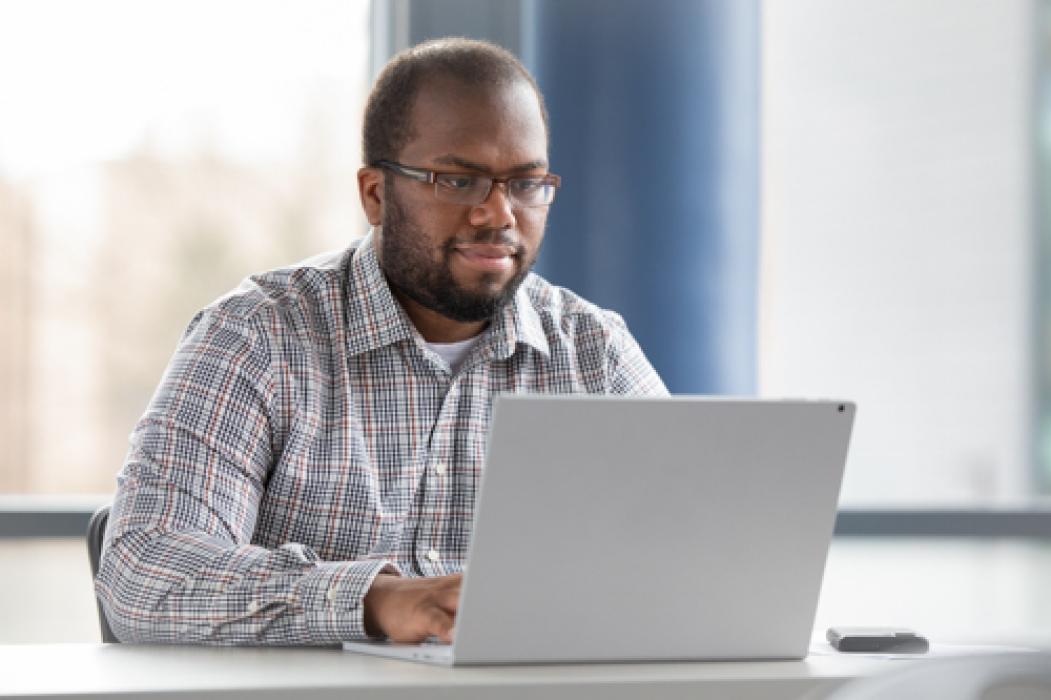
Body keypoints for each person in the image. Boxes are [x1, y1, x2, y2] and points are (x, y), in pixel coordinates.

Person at [97, 37, 666, 646]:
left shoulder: (592, 351)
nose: (499, 213)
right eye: (457, 180)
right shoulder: (258, 336)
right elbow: (145, 576)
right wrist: (375, 602)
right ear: (375, 194)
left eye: (525, 184)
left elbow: (699, 556)